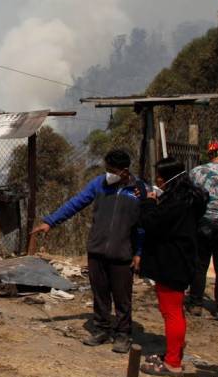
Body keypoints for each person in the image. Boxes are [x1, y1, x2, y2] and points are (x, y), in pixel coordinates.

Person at [31, 149, 144, 353]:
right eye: (107, 169)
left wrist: (139, 252)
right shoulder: (99, 184)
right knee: (100, 294)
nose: (108, 173)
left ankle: (122, 335)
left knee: (122, 297)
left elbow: (144, 225)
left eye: (112, 170)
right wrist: (50, 221)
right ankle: (101, 330)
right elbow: (76, 203)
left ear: (125, 171)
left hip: (122, 254)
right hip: (97, 250)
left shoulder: (138, 191)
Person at [138, 158, 207, 377]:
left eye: (160, 175)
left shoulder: (176, 202)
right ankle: (172, 352)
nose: (157, 179)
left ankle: (173, 363)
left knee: (172, 312)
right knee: (172, 310)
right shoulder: (190, 198)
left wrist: (148, 203)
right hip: (180, 258)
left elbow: (152, 223)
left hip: (171, 262)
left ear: (169, 177)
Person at [188, 139, 218, 319]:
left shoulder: (197, 172)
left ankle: (195, 303)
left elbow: (189, 197)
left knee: (200, 265)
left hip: (203, 223)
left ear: (210, 153)